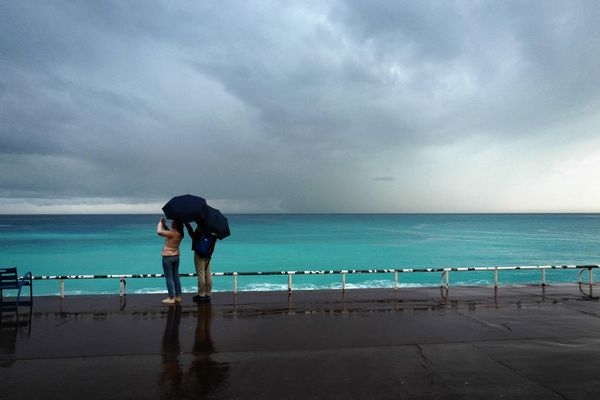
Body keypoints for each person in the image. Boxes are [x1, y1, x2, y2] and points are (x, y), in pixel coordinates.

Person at [184, 222, 216, 303]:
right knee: (208, 273)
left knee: (201, 274)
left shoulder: (201, 226)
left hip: (199, 252)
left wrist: (188, 226)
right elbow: (213, 241)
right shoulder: (214, 227)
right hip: (208, 253)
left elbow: (194, 236)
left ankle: (202, 294)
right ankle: (208, 293)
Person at [157, 217, 184, 304]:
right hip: (176, 256)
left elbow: (159, 232)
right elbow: (169, 233)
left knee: (169, 277)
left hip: (167, 257)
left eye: (173, 222)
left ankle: (171, 297)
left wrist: (160, 223)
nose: (172, 223)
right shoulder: (180, 233)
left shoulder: (172, 233)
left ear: (175, 224)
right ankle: (178, 296)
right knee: (176, 276)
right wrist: (165, 226)